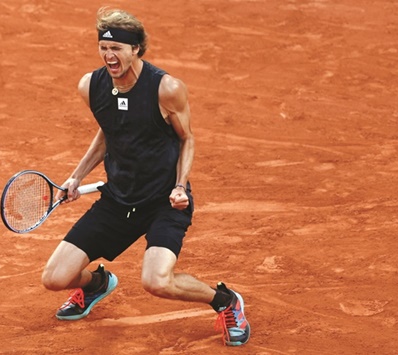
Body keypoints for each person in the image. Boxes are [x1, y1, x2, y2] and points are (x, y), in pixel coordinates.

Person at [41, 7, 250, 346]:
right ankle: (95, 284)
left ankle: (226, 302)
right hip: (118, 198)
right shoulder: (90, 86)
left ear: (136, 49)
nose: (109, 55)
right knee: (54, 278)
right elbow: (108, 132)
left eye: (117, 49)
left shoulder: (166, 89)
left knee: (157, 282)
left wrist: (180, 186)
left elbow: (188, 139)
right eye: (104, 48)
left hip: (163, 201)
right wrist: (75, 177)